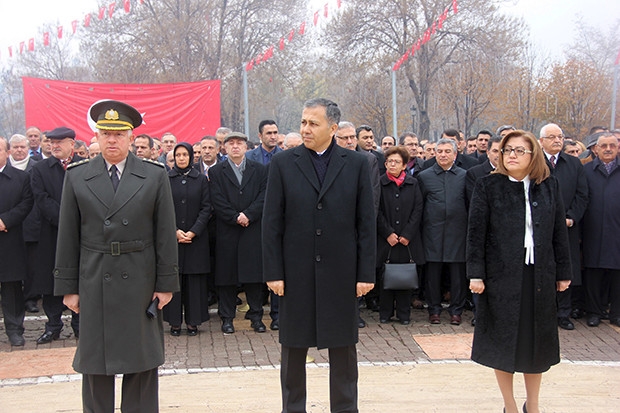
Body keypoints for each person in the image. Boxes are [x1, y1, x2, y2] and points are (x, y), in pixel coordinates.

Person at [54, 100, 179, 412]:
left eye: (119, 133)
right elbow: (68, 235)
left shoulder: (153, 175)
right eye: (105, 133)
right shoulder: (77, 176)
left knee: (141, 362)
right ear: (96, 135)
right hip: (95, 278)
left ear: (131, 136)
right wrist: (68, 287)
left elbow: (165, 233)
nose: (112, 139)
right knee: (96, 363)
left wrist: (166, 284)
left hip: (139, 278)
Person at [263, 98, 375, 412]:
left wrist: (366, 273)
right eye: (303, 123)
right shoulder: (284, 163)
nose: (306, 129)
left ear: (333, 128)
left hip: (341, 271)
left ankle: (344, 407)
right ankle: (293, 407)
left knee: (343, 347)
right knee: (293, 347)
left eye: (313, 123)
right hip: (295, 271)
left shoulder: (355, 164)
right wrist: (273, 271)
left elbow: (366, 222)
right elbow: (272, 222)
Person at [467, 130, 571, 413]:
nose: (511, 155)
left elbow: (559, 232)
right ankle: (510, 405)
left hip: (539, 276)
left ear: (533, 154)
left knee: (535, 345)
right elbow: (476, 233)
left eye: (519, 150)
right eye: (507, 150)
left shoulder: (549, 186)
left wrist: (563, 271)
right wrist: (475, 274)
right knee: (502, 344)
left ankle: (533, 405)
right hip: (501, 278)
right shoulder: (488, 186)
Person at [209, 132, 268, 334]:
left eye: (239, 143)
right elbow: (216, 199)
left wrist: (248, 215)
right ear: (224, 148)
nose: (235, 147)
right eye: (231, 143)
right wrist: (235, 217)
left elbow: (264, 196)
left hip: (252, 229)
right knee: (227, 278)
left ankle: (256, 316)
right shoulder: (217, 172)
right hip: (228, 230)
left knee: (254, 277)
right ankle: (227, 318)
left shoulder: (259, 170)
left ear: (246, 147)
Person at [30, 126, 83, 344]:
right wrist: (65, 220)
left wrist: (78, 222)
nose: (54, 146)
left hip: (82, 233)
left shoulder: (84, 165)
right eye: (51, 142)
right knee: (52, 279)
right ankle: (53, 325)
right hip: (52, 233)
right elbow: (41, 199)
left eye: (59, 142)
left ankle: (81, 324)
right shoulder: (40, 169)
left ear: (72, 144)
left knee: (81, 277)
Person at [538, 123, 588, 329]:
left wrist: (571, 217)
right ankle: (542, 313)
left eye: (560, 136)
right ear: (541, 141)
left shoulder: (574, 164)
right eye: (551, 137)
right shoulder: (534, 163)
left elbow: (582, 195)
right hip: (540, 228)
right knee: (542, 269)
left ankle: (563, 313)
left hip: (566, 227)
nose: (557, 140)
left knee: (565, 267)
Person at [417, 138, 469, 325]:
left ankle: (456, 311)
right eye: (440, 151)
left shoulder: (464, 176)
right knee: (433, 275)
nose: (443, 155)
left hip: (458, 233)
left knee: (457, 276)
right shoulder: (425, 176)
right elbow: (419, 206)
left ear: (455, 154)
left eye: (448, 151)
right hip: (432, 233)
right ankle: (434, 310)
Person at [163, 142, 211, 336]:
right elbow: (162, 208)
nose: (181, 158)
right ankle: (174, 322)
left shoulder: (200, 179)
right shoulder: (166, 179)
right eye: (178, 155)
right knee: (175, 280)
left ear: (191, 157)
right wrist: (174, 231)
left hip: (195, 240)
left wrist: (193, 231)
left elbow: (207, 208)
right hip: (172, 240)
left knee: (194, 281)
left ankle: (193, 322)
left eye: (185, 155)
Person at [377, 146, 424, 325]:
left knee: (405, 276)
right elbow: (377, 210)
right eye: (390, 161)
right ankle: (385, 313)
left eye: (397, 162)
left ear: (404, 165)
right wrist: (388, 232)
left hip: (407, 241)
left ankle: (404, 314)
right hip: (386, 239)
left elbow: (418, 209)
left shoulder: (413, 183)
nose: (393, 165)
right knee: (386, 276)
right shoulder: (380, 183)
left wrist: (407, 234)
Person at [581, 132, 620, 327]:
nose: (608, 149)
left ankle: (617, 313)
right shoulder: (587, 171)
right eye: (603, 145)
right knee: (593, 273)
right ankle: (594, 312)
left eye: (612, 145)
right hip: (593, 229)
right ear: (595, 149)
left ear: (618, 148)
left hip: (617, 229)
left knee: (617, 275)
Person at [0, 137, 34, 346]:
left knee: (11, 287)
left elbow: (27, 203)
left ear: (7, 152)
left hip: (9, 239)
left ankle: (14, 330)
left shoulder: (20, 178)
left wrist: (5, 220)